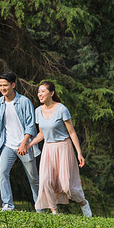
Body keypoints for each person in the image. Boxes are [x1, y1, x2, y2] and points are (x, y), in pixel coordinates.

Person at [26, 81, 92, 217]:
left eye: (43, 91)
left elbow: (72, 132)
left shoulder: (62, 109)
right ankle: (54, 212)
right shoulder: (38, 111)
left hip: (63, 148)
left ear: (51, 93)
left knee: (67, 185)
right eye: (39, 92)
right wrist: (29, 144)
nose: (40, 94)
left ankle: (83, 203)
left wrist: (79, 153)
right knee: (46, 181)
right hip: (48, 149)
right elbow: (42, 133)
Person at [0, 71, 41, 211]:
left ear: (13, 85)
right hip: (7, 145)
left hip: (25, 145)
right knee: (2, 174)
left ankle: (40, 206)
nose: (3, 88)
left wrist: (24, 143)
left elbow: (31, 126)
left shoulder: (24, 102)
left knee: (33, 179)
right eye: (0, 85)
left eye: (5, 85)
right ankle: (8, 204)